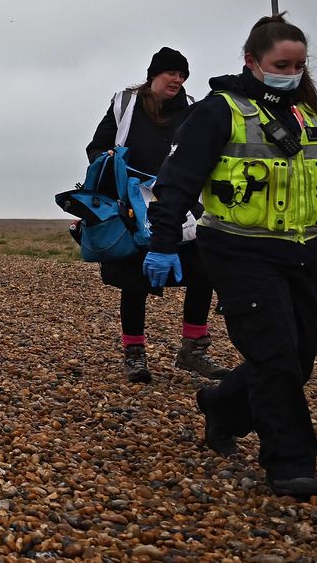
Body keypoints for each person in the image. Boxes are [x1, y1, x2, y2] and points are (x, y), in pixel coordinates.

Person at [146, 16, 317, 499]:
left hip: (301, 254)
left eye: (299, 65)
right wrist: (161, 245)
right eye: (281, 64)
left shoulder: (314, 118)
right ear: (252, 62)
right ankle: (290, 462)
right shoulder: (220, 112)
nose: (292, 72)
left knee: (297, 360)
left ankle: (221, 406)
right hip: (238, 252)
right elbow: (175, 183)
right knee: (274, 356)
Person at [85, 47, 230, 384]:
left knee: (202, 271)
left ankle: (193, 349)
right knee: (134, 281)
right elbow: (96, 146)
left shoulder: (193, 110)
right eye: (171, 73)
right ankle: (134, 355)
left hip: (182, 203)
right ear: (154, 75)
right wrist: (105, 157)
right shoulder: (125, 104)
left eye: (182, 75)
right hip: (133, 206)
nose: (177, 79)